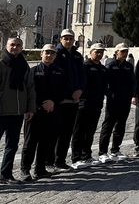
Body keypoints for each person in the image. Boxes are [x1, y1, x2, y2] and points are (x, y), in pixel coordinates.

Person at [0, 37, 34, 188]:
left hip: (17, 113)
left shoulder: (24, 66)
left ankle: (6, 174)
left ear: (22, 47)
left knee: (12, 145)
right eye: (12, 45)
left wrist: (30, 108)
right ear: (6, 46)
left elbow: (30, 88)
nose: (15, 47)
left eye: (18, 45)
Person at [20, 44, 65, 182]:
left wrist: (53, 102)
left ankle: (40, 169)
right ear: (41, 54)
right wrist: (40, 104)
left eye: (52, 53)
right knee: (30, 142)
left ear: (55, 56)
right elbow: (28, 91)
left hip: (52, 111)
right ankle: (25, 170)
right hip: (35, 112)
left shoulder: (59, 72)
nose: (49, 55)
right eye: (47, 52)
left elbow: (62, 90)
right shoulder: (33, 71)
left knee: (46, 142)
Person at [51, 28, 85, 171]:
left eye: (71, 38)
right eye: (66, 38)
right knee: (55, 133)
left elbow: (82, 76)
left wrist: (79, 90)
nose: (68, 41)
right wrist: (63, 95)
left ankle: (60, 161)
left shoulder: (77, 56)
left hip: (74, 100)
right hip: (60, 100)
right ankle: (49, 161)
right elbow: (56, 77)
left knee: (67, 132)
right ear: (61, 39)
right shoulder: (56, 54)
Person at [70, 43, 107, 169]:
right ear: (91, 52)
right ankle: (76, 157)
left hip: (96, 104)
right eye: (97, 52)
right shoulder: (84, 66)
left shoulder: (102, 69)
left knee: (90, 131)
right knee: (79, 131)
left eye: (101, 52)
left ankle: (87, 155)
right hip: (84, 104)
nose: (99, 54)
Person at [98, 43, 135, 163]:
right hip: (113, 100)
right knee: (108, 125)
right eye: (122, 51)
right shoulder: (110, 65)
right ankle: (102, 152)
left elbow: (132, 82)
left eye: (125, 51)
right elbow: (104, 83)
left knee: (121, 125)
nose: (124, 53)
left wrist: (133, 95)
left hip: (125, 100)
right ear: (116, 52)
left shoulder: (129, 66)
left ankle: (115, 149)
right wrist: (109, 95)